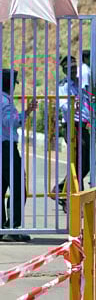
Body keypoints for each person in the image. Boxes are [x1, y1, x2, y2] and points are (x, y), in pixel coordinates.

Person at [1, 69, 37, 242]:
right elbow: (10, 121)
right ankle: (12, 228)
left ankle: (1, 226)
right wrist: (26, 112)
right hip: (6, 147)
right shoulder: (5, 101)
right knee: (17, 187)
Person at [53, 61, 93, 213]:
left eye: (74, 68)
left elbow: (87, 105)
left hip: (83, 126)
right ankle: (73, 199)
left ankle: (61, 190)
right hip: (72, 126)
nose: (73, 70)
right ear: (64, 70)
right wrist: (73, 105)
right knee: (77, 163)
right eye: (69, 69)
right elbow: (63, 105)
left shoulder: (79, 84)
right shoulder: (63, 86)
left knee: (85, 164)